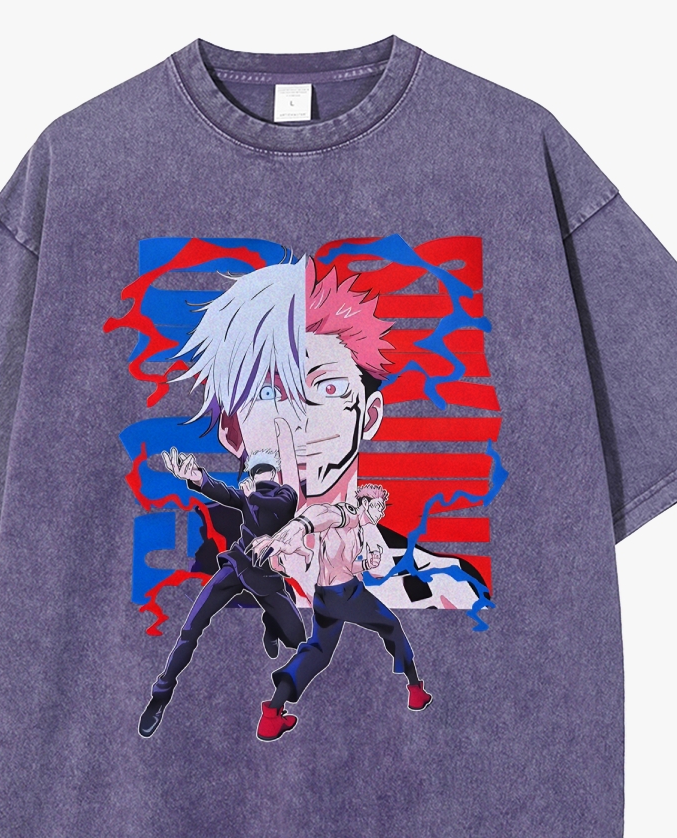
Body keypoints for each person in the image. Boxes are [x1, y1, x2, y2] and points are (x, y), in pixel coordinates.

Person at [176, 256, 488, 612]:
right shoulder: (193, 586)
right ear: (232, 431)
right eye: (269, 392)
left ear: (369, 416)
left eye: (329, 389)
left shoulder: (444, 588)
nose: (302, 419)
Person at [138, 447, 306, 738]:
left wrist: (252, 494)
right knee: (191, 628)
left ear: (275, 473)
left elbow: (281, 506)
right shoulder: (248, 495)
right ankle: (160, 696)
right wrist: (197, 477)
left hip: (267, 577)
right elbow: (224, 493)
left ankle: (271, 623)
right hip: (237, 565)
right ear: (251, 474)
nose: (262, 477)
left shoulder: (285, 494)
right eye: (256, 472)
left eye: (265, 471)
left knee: (298, 639)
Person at [248, 484, 431, 741]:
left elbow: (342, 564)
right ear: (364, 504)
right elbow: (320, 514)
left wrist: (366, 564)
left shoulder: (357, 530)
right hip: (346, 595)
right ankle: (415, 690)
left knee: (318, 652)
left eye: (383, 508)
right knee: (392, 626)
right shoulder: (347, 515)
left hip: (326, 598)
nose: (381, 513)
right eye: (378, 507)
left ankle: (271, 716)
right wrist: (297, 528)